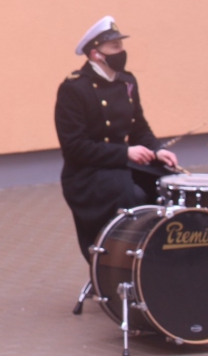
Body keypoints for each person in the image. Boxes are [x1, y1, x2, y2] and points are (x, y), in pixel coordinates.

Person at [54, 16, 178, 261]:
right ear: (95, 54)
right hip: (88, 173)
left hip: (122, 164)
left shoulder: (127, 81)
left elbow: (139, 127)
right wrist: (125, 153)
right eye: (115, 47)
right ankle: (120, 265)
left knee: (173, 185)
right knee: (135, 199)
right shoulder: (75, 88)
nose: (121, 52)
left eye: (121, 46)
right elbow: (74, 147)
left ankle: (162, 265)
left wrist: (157, 149)